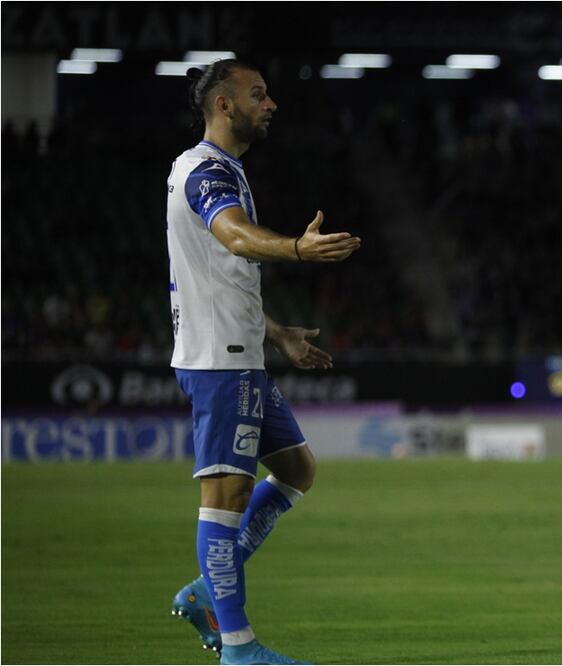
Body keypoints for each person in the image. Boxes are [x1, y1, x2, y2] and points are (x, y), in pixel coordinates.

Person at [166, 59, 362, 665]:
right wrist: (299, 249)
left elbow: (221, 272)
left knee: (297, 469)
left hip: (241, 351)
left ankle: (207, 592)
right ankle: (238, 648)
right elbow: (235, 237)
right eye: (258, 94)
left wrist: (275, 333)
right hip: (221, 362)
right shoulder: (206, 172)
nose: (271, 103)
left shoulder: (222, 169)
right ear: (224, 106)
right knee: (224, 498)